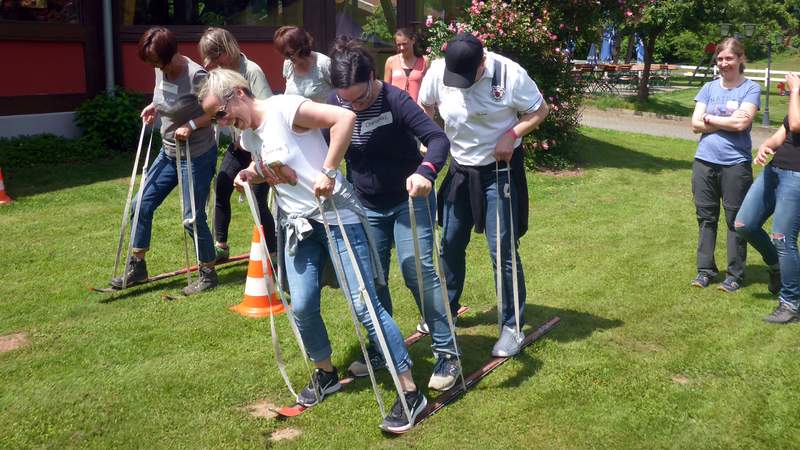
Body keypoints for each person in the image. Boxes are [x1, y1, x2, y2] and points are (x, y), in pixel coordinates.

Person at [198, 68, 427, 432]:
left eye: (221, 114)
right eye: (215, 119)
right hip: (298, 226)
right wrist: (250, 174)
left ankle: (410, 392)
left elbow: (344, 118)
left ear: (239, 93)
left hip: (337, 218)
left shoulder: (285, 109)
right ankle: (325, 374)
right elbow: (280, 166)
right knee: (301, 304)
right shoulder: (249, 136)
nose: (223, 123)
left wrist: (330, 170)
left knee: (364, 305)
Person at [328, 36, 459, 390]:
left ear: (373, 78)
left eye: (359, 97)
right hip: (363, 205)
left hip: (408, 198)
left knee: (416, 269)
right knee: (372, 280)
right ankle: (380, 347)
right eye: (345, 100)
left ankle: (448, 353)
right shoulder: (335, 104)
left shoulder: (394, 99)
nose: (352, 106)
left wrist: (426, 171)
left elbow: (437, 139)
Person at [418, 33, 549, 357]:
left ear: (483, 63)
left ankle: (512, 326)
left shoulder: (510, 75)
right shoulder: (438, 71)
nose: (460, 85)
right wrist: (428, 139)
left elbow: (539, 111)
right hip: (461, 170)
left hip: (499, 170)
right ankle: (447, 308)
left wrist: (512, 133)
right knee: (449, 242)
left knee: (502, 250)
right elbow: (425, 106)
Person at [110, 26, 218, 296]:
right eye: (151, 63)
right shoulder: (160, 67)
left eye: (157, 62)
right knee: (140, 205)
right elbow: (165, 97)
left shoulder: (196, 76)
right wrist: (154, 106)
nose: (155, 67)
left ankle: (207, 272)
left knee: (191, 218)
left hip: (196, 154)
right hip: (168, 151)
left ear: (170, 55)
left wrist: (192, 124)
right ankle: (138, 267)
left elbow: (218, 111)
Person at [689, 37, 767, 293]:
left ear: (740, 59)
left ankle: (734, 274)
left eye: (729, 58)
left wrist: (710, 118)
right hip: (704, 162)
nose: (724, 63)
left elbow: (741, 124)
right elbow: (694, 123)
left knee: (736, 221)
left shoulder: (750, 89)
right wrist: (725, 119)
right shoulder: (709, 88)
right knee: (706, 218)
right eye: (720, 59)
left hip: (735, 164)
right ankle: (705, 270)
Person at [198, 27, 277, 260]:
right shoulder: (218, 74)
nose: (210, 63)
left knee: (258, 199)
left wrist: (258, 161)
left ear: (227, 50)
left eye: (213, 57)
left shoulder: (252, 71)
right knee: (222, 185)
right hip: (239, 144)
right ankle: (220, 245)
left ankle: (272, 253)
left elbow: (267, 108)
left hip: (259, 147)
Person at [734, 72, 800, 324]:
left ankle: (791, 304)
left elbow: (796, 124)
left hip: (797, 177)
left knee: (783, 238)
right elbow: (785, 130)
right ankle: (776, 267)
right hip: (775, 170)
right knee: (744, 224)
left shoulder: (797, 94)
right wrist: (767, 146)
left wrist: (794, 90)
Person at [273, 26, 333, 103]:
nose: (287, 58)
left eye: (290, 54)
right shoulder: (288, 64)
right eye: (284, 54)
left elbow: (342, 94)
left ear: (302, 47)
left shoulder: (324, 63)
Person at [383, 28, 428, 102]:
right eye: (399, 45)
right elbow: (386, 90)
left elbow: (429, 88)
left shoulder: (424, 61)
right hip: (396, 109)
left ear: (413, 40)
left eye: (404, 44)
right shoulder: (391, 61)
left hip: (417, 110)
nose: (401, 48)